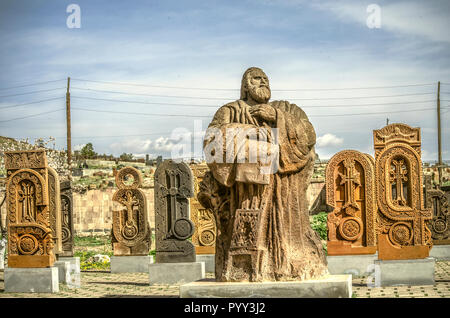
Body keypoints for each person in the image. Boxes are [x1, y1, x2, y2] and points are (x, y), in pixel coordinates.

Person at [199, 67, 328, 282]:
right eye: (257, 78)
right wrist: (255, 133)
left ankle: (287, 264)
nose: (263, 82)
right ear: (245, 86)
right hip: (246, 193)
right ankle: (244, 269)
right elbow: (212, 140)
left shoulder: (286, 108)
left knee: (286, 235)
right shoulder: (230, 111)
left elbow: (308, 135)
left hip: (285, 192)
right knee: (248, 236)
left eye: (266, 79)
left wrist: (277, 117)